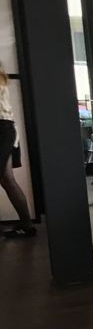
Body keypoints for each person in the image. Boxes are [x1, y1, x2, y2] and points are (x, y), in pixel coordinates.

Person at [0, 67, 34, 238]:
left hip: (2, 128)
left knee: (7, 179)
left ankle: (27, 224)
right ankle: (26, 224)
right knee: (7, 179)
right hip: (6, 127)